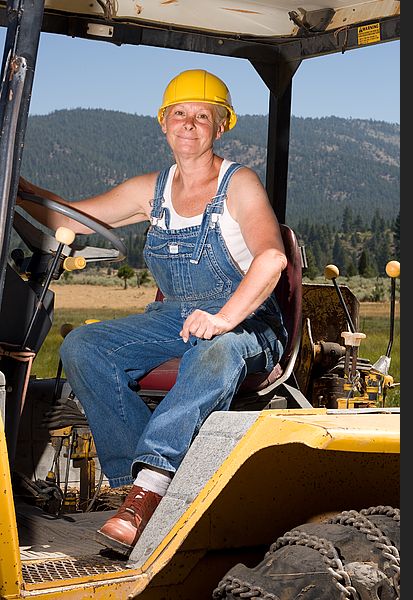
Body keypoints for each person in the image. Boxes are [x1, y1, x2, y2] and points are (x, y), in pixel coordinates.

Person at [17, 69, 287, 556]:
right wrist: (16, 186)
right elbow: (68, 221)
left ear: (220, 126)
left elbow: (271, 259)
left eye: (203, 116)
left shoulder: (239, 184)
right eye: (179, 113)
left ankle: (149, 489)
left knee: (213, 353)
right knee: (85, 345)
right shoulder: (152, 190)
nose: (189, 124)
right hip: (177, 316)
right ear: (163, 123)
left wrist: (225, 318)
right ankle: (137, 483)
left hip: (246, 319)